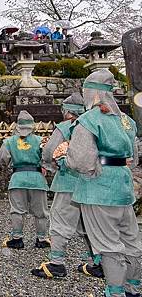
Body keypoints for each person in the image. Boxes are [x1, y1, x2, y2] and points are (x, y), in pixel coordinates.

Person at [65, 69, 141, 297]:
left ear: (93, 93)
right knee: (131, 240)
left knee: (109, 245)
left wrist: (66, 159)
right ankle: (134, 287)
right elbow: (134, 158)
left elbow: (81, 161)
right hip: (123, 186)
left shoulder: (89, 120)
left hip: (98, 188)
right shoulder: (126, 121)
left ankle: (115, 291)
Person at [31, 93, 99, 279]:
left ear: (67, 111)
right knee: (90, 225)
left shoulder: (65, 127)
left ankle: (57, 263)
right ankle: (98, 262)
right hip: (92, 183)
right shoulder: (94, 125)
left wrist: (53, 166)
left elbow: (49, 152)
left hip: (68, 182)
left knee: (60, 222)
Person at [0, 110, 50, 249]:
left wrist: (11, 167)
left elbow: (3, 158)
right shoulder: (40, 141)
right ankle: (42, 238)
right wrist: (43, 166)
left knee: (17, 210)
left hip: (18, 178)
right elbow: (48, 157)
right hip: (37, 179)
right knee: (41, 212)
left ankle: (17, 238)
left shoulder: (9, 141)